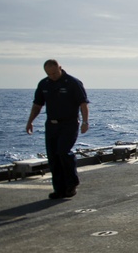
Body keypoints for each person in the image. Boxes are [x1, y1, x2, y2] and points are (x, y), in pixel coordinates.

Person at [25, 59, 90, 199]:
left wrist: (85, 122)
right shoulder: (44, 84)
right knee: (53, 156)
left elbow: (83, 104)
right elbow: (37, 105)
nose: (52, 76)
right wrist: (30, 122)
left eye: (54, 73)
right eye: (49, 74)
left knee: (63, 152)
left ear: (60, 68)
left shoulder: (73, 83)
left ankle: (71, 184)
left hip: (69, 124)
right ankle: (59, 189)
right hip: (51, 125)